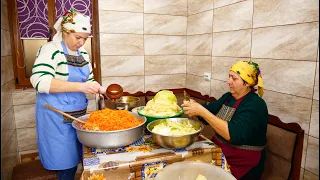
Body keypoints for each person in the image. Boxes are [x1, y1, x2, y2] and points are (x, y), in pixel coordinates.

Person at [30, 9, 105, 180]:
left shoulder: (83, 54)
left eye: (85, 39)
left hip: (79, 118)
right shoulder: (50, 49)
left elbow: (90, 80)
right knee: (66, 165)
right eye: (78, 37)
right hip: (56, 118)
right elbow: (39, 81)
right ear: (65, 31)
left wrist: (102, 89)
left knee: (80, 158)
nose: (82, 42)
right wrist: (80, 87)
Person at [182, 60, 268, 180]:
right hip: (219, 152)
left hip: (242, 163)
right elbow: (209, 112)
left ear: (247, 82)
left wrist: (202, 111)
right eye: (229, 77)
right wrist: (196, 106)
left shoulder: (256, 105)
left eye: (234, 78)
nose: (229, 82)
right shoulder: (228, 97)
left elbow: (232, 134)